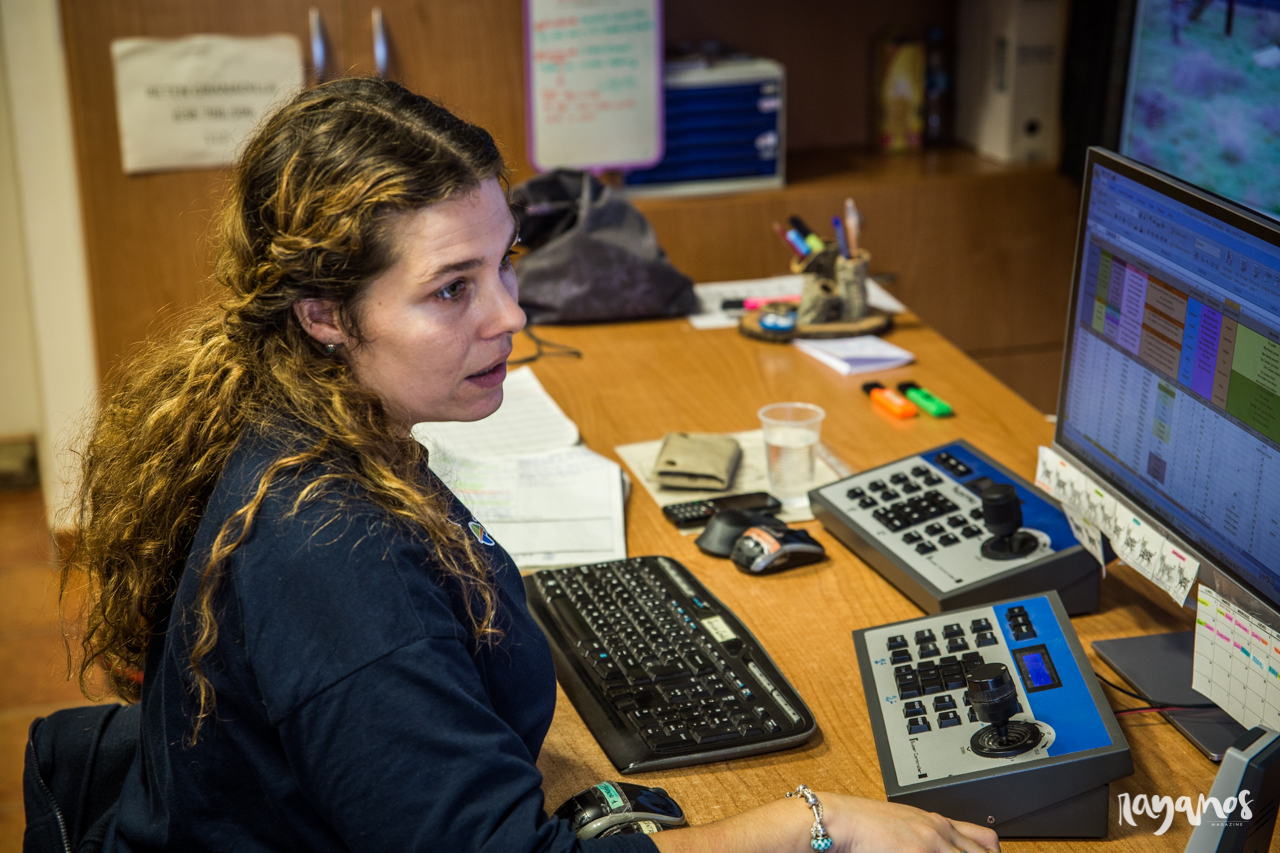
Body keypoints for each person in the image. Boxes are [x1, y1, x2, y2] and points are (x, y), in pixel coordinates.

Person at [62, 76, 1001, 853]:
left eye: (504, 263)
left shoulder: (315, 425)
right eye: (452, 289)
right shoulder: (333, 551)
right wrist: (816, 822)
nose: (510, 313)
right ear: (324, 315)